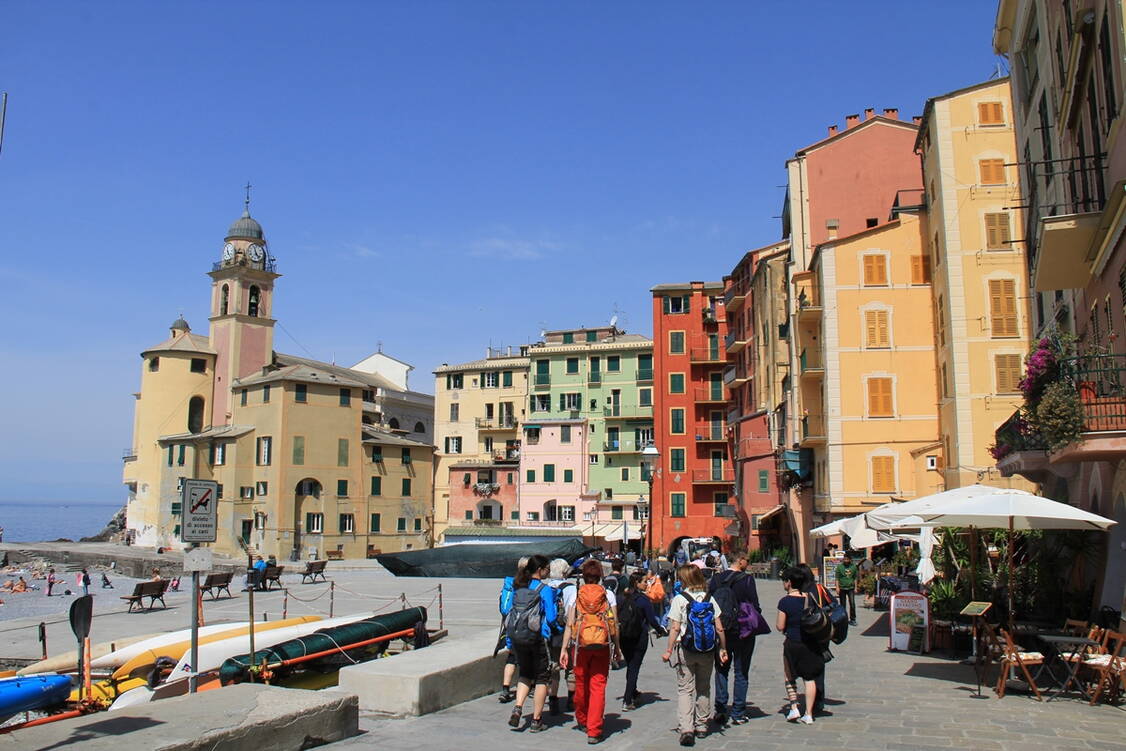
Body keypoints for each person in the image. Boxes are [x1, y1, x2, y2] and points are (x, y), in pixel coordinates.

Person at [663, 564, 728, 747]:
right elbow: (719, 627)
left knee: (685, 689)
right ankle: (701, 725)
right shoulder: (709, 598)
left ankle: (686, 729)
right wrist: (722, 648)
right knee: (704, 687)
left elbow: (675, 628)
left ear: (684, 579)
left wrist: (668, 650)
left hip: (686, 649)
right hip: (707, 650)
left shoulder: (679, 599)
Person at [560, 559, 621, 745]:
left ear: (584, 576)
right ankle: (594, 730)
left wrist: (564, 649)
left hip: (580, 646)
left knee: (581, 683)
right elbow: (614, 624)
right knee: (598, 685)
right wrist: (617, 648)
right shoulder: (608, 595)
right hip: (601, 645)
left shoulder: (576, 594)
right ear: (600, 576)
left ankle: (582, 718)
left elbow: (570, 625)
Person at [708, 552, 762, 725]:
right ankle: (738, 711)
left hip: (722, 629)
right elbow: (755, 605)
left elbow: (709, 602)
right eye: (747, 560)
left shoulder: (716, 579)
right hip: (742, 630)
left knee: (721, 669)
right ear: (740, 561)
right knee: (741, 671)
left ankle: (721, 709)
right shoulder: (746, 580)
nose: (749, 563)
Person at [505, 555, 556, 733]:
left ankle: (518, 707)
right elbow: (551, 618)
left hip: (520, 638)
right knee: (542, 678)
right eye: (547, 569)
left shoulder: (521, 586)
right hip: (538, 639)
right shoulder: (545, 589)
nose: (548, 572)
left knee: (525, 673)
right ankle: (536, 720)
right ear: (540, 569)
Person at [777, 566, 823, 725]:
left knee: (789, 675)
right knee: (809, 678)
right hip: (810, 642)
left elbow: (780, 626)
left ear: (789, 583)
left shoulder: (785, 602)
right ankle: (809, 714)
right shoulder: (810, 598)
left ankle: (794, 706)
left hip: (793, 642)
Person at [619, 570, 665, 710]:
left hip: (624, 636)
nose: (647, 584)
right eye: (645, 582)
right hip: (639, 636)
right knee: (634, 667)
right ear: (637, 583)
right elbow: (651, 619)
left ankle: (632, 691)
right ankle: (627, 700)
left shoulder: (622, 598)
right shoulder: (643, 600)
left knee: (630, 665)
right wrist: (660, 630)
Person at [798, 562, 835, 714]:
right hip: (822, 631)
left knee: (808, 666)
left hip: (808, 632)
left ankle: (813, 699)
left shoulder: (802, 592)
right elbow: (834, 603)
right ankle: (819, 698)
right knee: (819, 665)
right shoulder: (820, 588)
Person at [496, 555, 531, 703]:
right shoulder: (529, 584)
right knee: (528, 658)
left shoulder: (509, 583)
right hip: (525, 627)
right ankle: (530, 686)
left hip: (510, 625)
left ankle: (505, 688)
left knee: (511, 657)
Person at [544, 557, 575, 715]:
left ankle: (553, 701)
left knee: (554, 667)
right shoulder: (571, 589)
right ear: (564, 572)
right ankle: (571, 700)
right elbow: (573, 613)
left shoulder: (546, 587)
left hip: (551, 633)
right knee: (570, 668)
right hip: (567, 632)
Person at [835, 554, 859, 626]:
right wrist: (837, 587)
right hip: (842, 588)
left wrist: (856, 587)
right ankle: (843, 619)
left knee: (852, 604)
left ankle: (853, 619)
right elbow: (837, 578)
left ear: (850, 559)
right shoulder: (839, 567)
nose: (846, 560)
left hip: (850, 588)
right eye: (844, 559)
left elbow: (855, 578)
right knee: (843, 605)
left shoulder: (853, 567)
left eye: (847, 559)